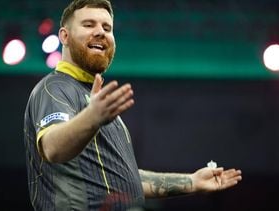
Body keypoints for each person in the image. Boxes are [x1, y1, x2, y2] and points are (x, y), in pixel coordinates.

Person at [23, 0, 242, 210]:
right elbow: (52, 147)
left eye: (107, 27)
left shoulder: (98, 105)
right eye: (89, 24)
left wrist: (191, 182)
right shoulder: (54, 87)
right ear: (65, 35)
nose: (100, 31)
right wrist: (93, 117)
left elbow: (126, 180)